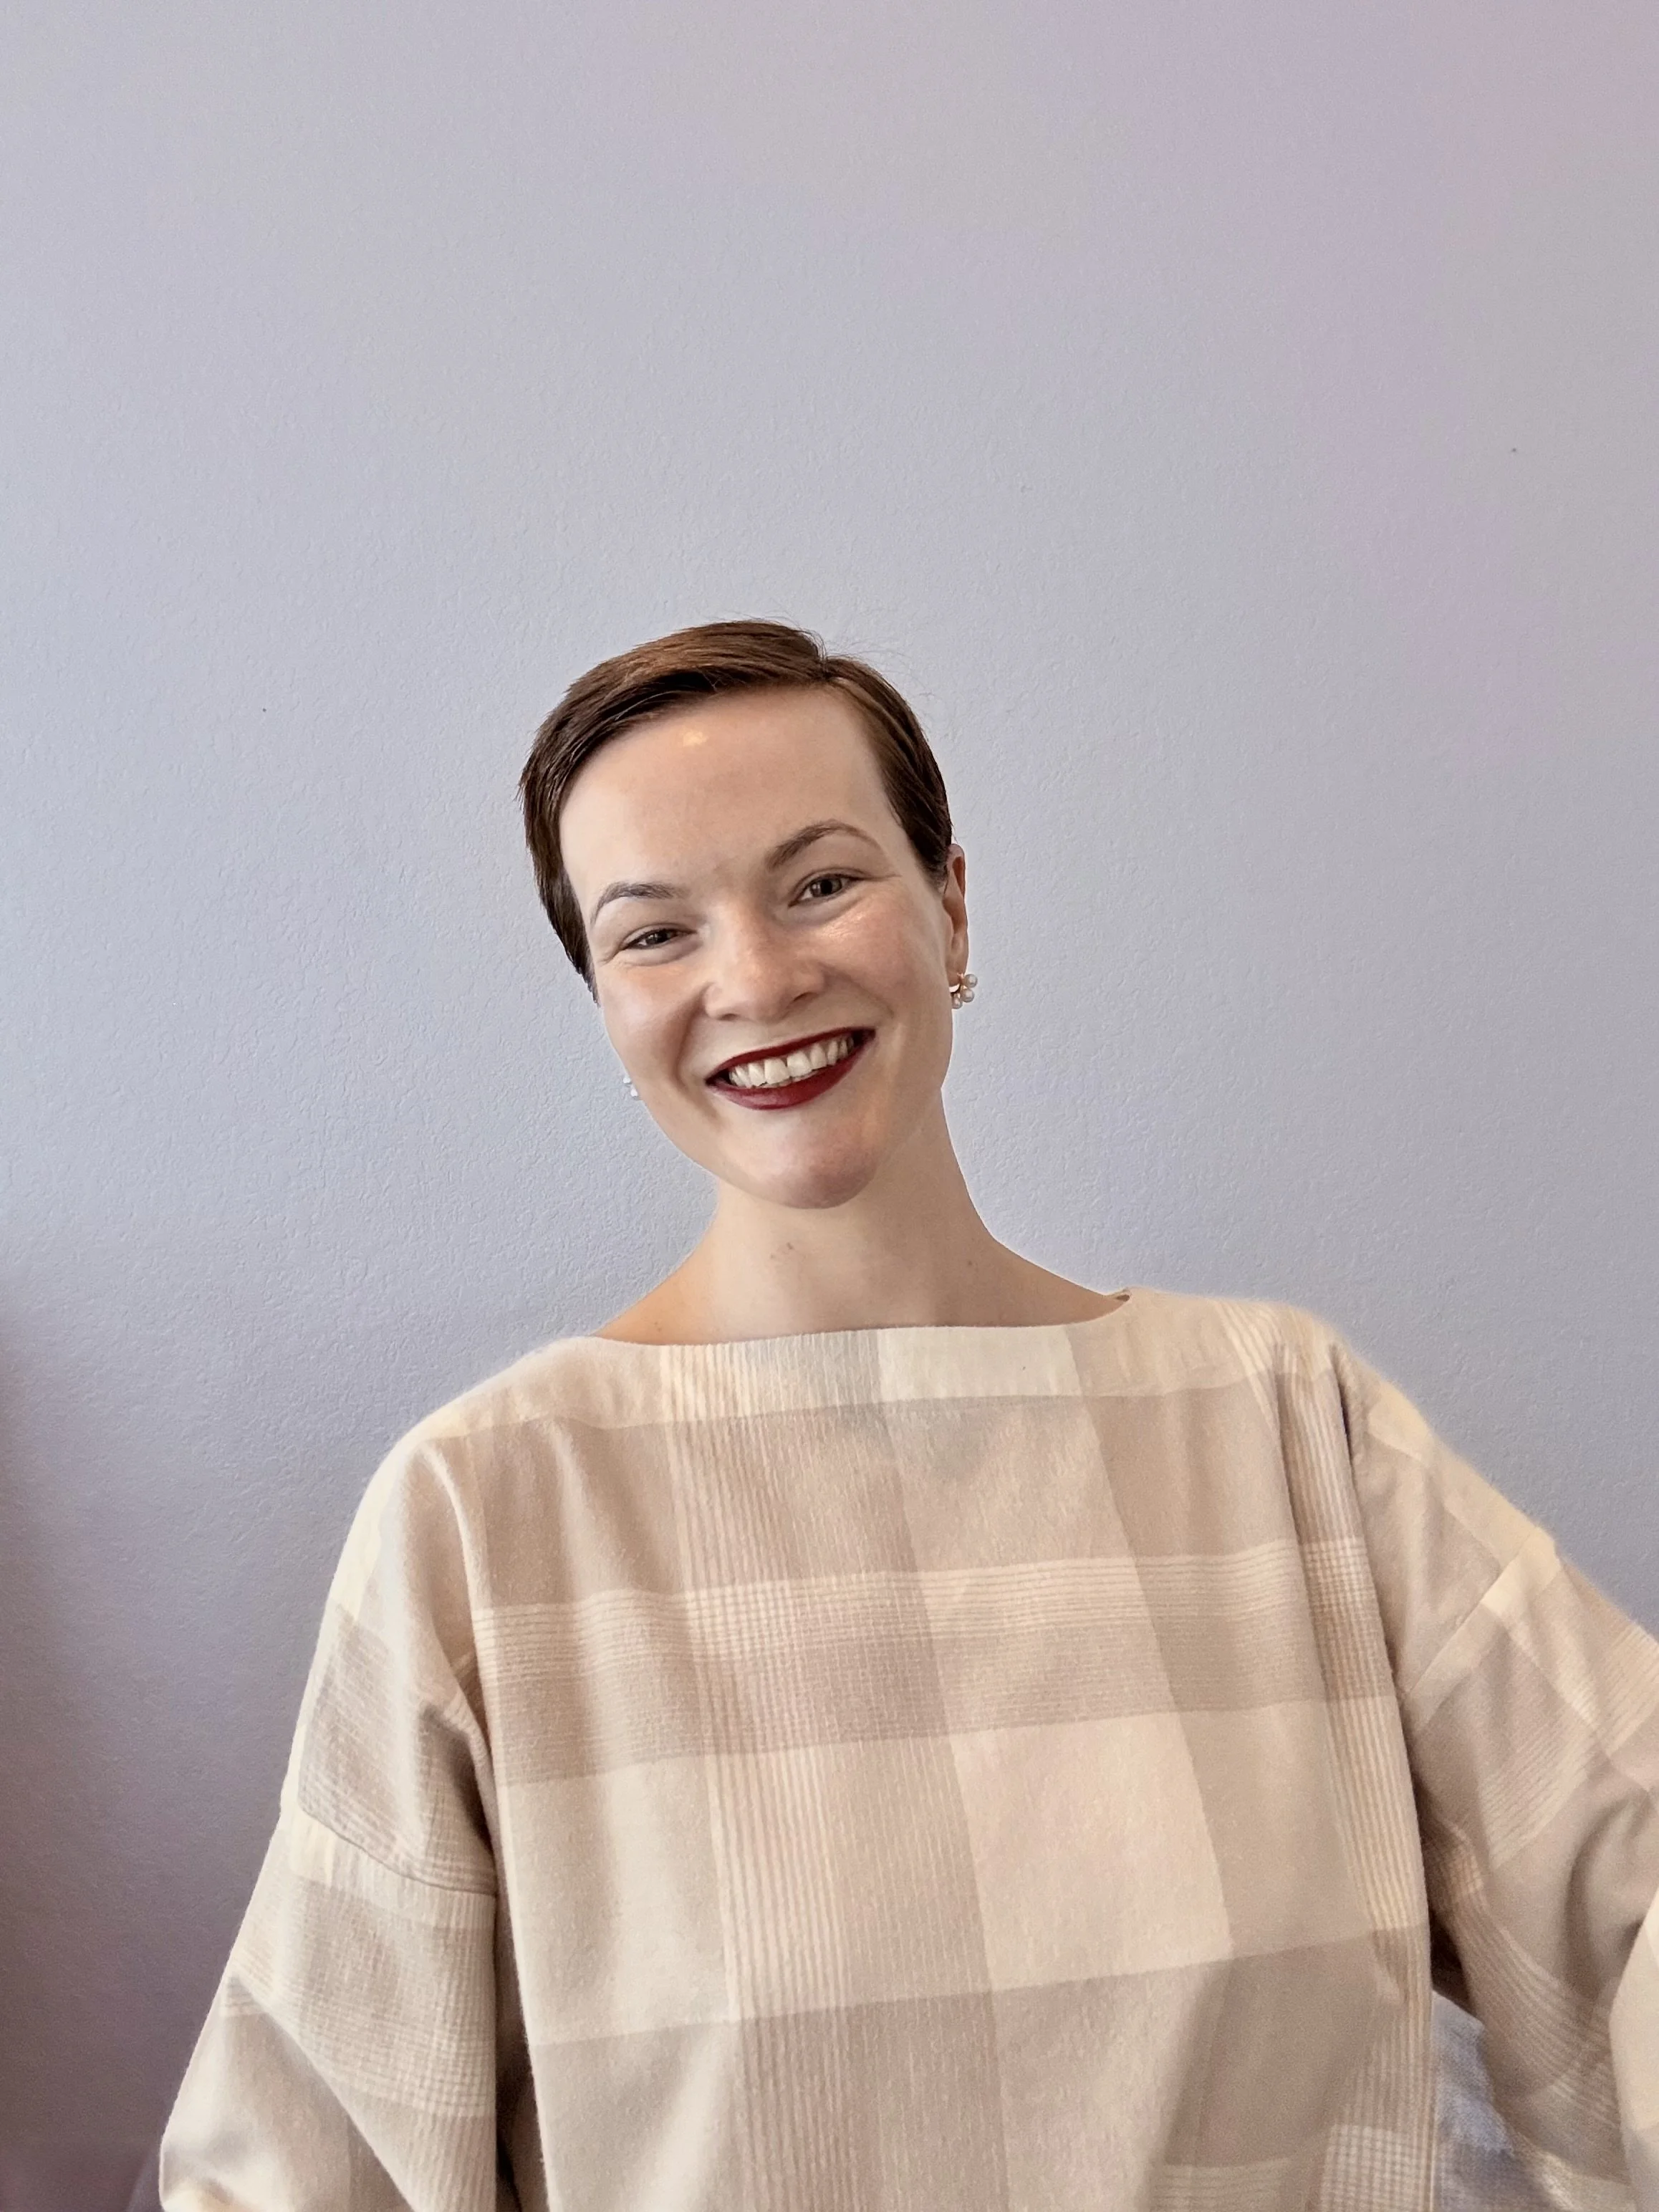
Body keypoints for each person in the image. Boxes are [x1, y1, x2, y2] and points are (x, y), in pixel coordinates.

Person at [160, 620, 1659, 2211]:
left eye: (819, 882)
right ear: (602, 1000)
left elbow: (1626, 1871)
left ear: (950, 903)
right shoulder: (485, 1509)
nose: (754, 976)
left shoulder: (1285, 1423)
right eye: (655, 933)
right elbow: (307, 2161)